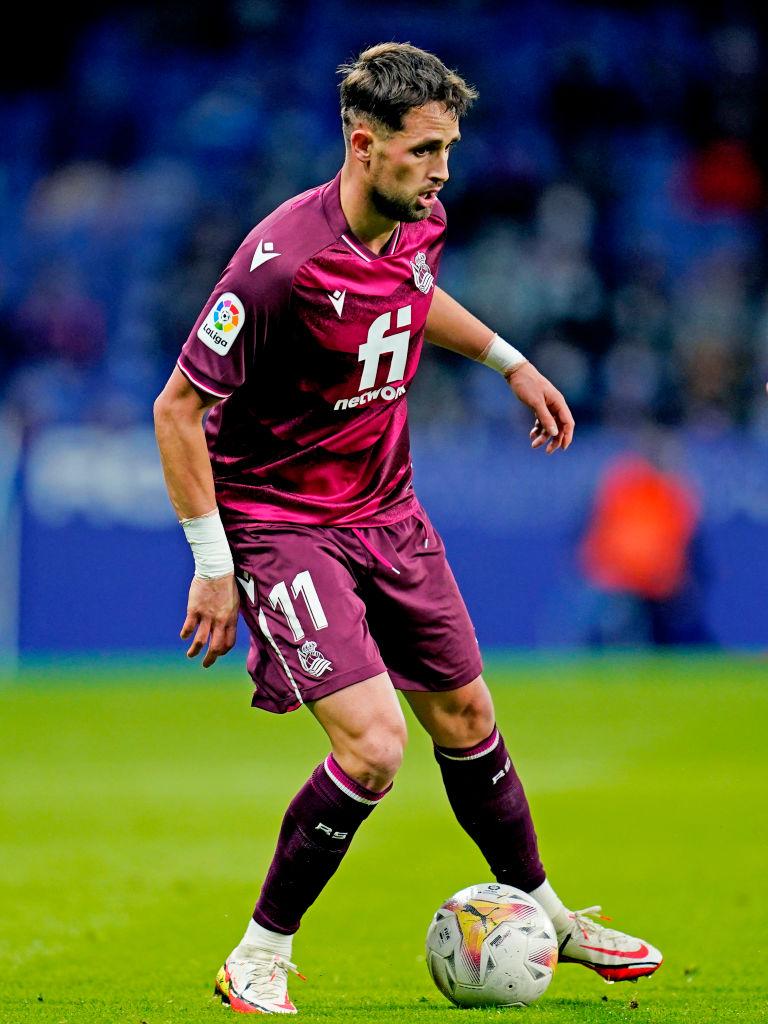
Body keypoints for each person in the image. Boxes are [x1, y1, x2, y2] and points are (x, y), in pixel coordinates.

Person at [154, 42, 662, 1016]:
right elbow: (177, 408)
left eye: (449, 150)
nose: (442, 172)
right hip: (285, 522)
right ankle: (259, 953)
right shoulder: (278, 264)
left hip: (388, 509)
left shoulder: (418, 221)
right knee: (375, 748)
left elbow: (411, 298)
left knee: (468, 719)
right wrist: (214, 564)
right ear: (363, 144)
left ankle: (551, 917)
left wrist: (510, 361)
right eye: (425, 150)